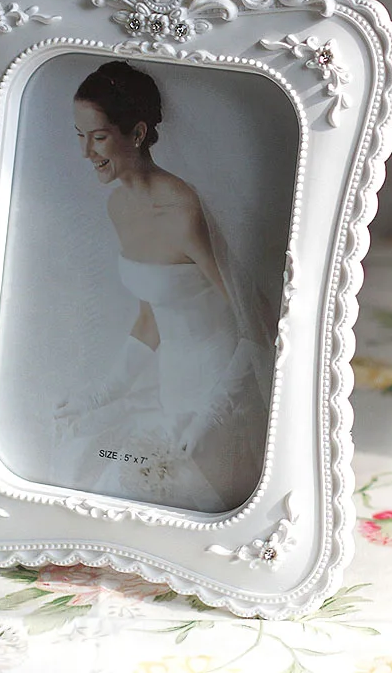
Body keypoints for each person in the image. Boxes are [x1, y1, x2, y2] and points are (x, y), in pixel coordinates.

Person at [54, 60, 271, 512]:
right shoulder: (118, 206)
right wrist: (105, 391)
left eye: (98, 137)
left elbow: (258, 320)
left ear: (136, 133)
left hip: (219, 382)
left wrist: (214, 414)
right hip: (171, 379)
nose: (86, 152)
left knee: (190, 498)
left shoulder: (182, 211)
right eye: (79, 136)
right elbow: (152, 312)